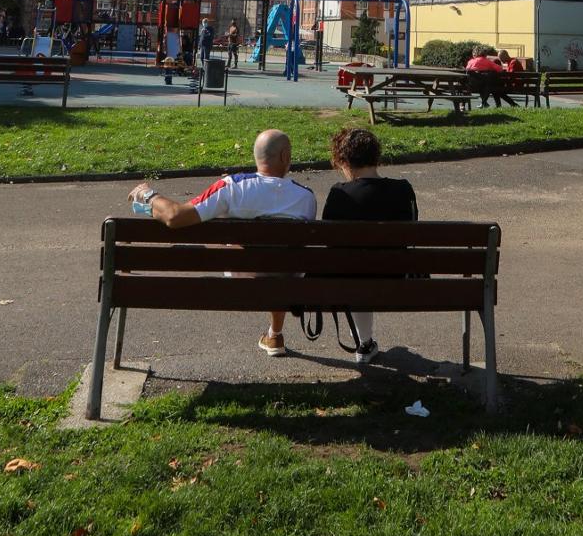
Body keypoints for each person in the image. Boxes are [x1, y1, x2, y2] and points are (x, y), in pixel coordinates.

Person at [128, 129, 315, 356]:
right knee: (277, 260)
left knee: (226, 244)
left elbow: (175, 216)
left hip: (237, 284)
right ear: (285, 157)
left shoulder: (233, 187)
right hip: (286, 283)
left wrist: (148, 195)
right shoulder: (306, 197)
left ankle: (274, 334)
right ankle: (275, 334)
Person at [322, 125, 418, 365]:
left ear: (344, 162)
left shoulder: (339, 194)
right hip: (397, 277)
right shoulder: (403, 190)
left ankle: (364, 342)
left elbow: (330, 244)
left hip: (351, 279)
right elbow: (411, 233)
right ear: (376, 157)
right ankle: (364, 342)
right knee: (365, 267)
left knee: (356, 269)